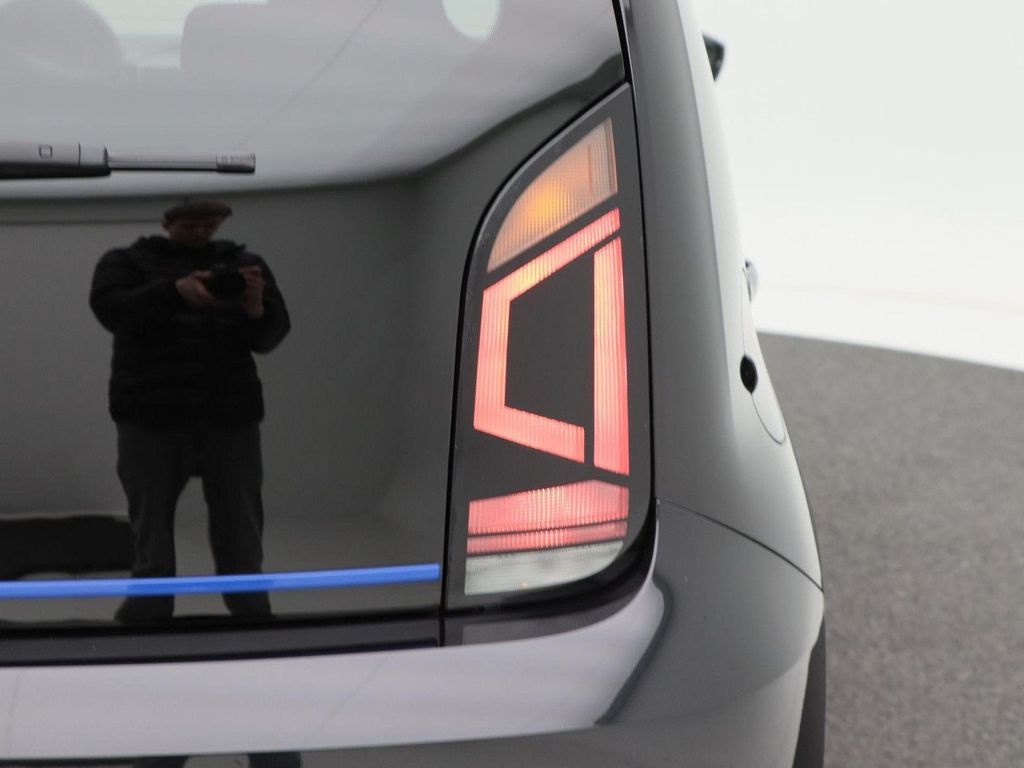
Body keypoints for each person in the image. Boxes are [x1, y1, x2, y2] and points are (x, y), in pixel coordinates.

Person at [90, 201, 290, 624]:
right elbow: (111, 311)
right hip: (150, 417)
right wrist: (173, 292)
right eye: (190, 225)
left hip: (228, 416)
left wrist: (255, 306)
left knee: (241, 530)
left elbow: (271, 335)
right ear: (168, 224)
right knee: (150, 529)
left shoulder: (245, 265)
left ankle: (252, 616)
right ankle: (149, 614)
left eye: (209, 224)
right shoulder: (126, 262)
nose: (200, 232)